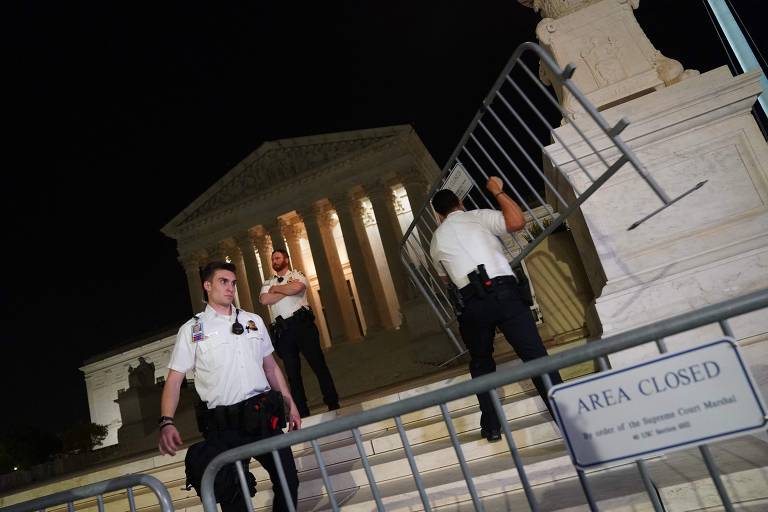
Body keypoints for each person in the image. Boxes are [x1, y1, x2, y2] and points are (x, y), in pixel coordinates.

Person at [158, 261, 300, 512]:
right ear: (207, 285)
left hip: (263, 417)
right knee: (234, 499)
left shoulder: (252, 320)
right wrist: (167, 421)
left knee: (288, 481)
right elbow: (174, 379)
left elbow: (271, 367)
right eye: (223, 282)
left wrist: (290, 402)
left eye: (233, 283)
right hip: (224, 427)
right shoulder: (192, 330)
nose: (230, 288)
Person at [429, 176, 563, 442]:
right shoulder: (477, 216)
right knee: (535, 356)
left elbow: (445, 278)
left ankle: (491, 425)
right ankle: (565, 413)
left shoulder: (435, 241)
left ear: (439, 214)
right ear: (461, 203)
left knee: (481, 364)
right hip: (503, 291)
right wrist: (498, 191)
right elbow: (516, 222)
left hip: (471, 303)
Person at [259, 249, 340, 418]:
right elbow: (265, 300)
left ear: (286, 260)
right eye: (273, 258)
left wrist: (276, 289)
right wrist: (285, 290)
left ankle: (332, 402)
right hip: (283, 331)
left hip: (302, 326)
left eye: (278, 257)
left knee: (318, 365)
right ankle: (302, 411)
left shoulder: (296, 274)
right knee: (293, 374)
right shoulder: (268, 282)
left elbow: (298, 287)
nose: (275, 260)